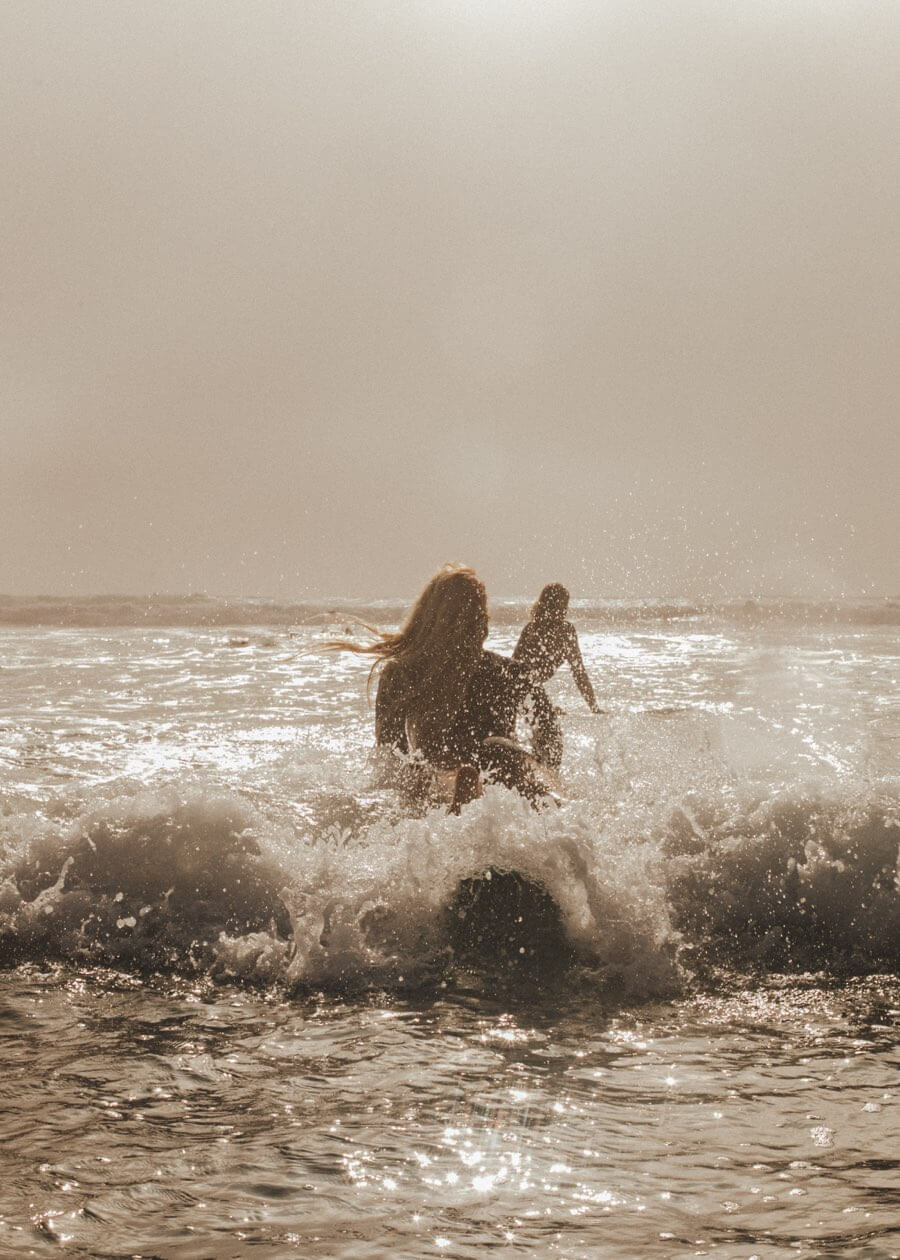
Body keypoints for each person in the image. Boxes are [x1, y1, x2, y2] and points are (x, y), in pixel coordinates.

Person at [328, 565, 546, 811]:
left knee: (423, 776)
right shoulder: (512, 672)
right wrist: (543, 764)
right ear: (483, 623)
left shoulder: (401, 673)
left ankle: (461, 794)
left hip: (440, 776)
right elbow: (550, 740)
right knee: (506, 757)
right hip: (503, 769)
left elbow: (389, 759)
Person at [512, 583, 602, 770]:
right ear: (547, 606)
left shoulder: (556, 630)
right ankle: (543, 773)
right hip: (521, 691)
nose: (563, 611)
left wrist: (593, 707)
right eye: (559, 606)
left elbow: (578, 671)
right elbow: (514, 669)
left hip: (529, 691)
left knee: (546, 737)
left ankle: (541, 771)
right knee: (547, 737)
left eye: (565, 606)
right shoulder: (537, 630)